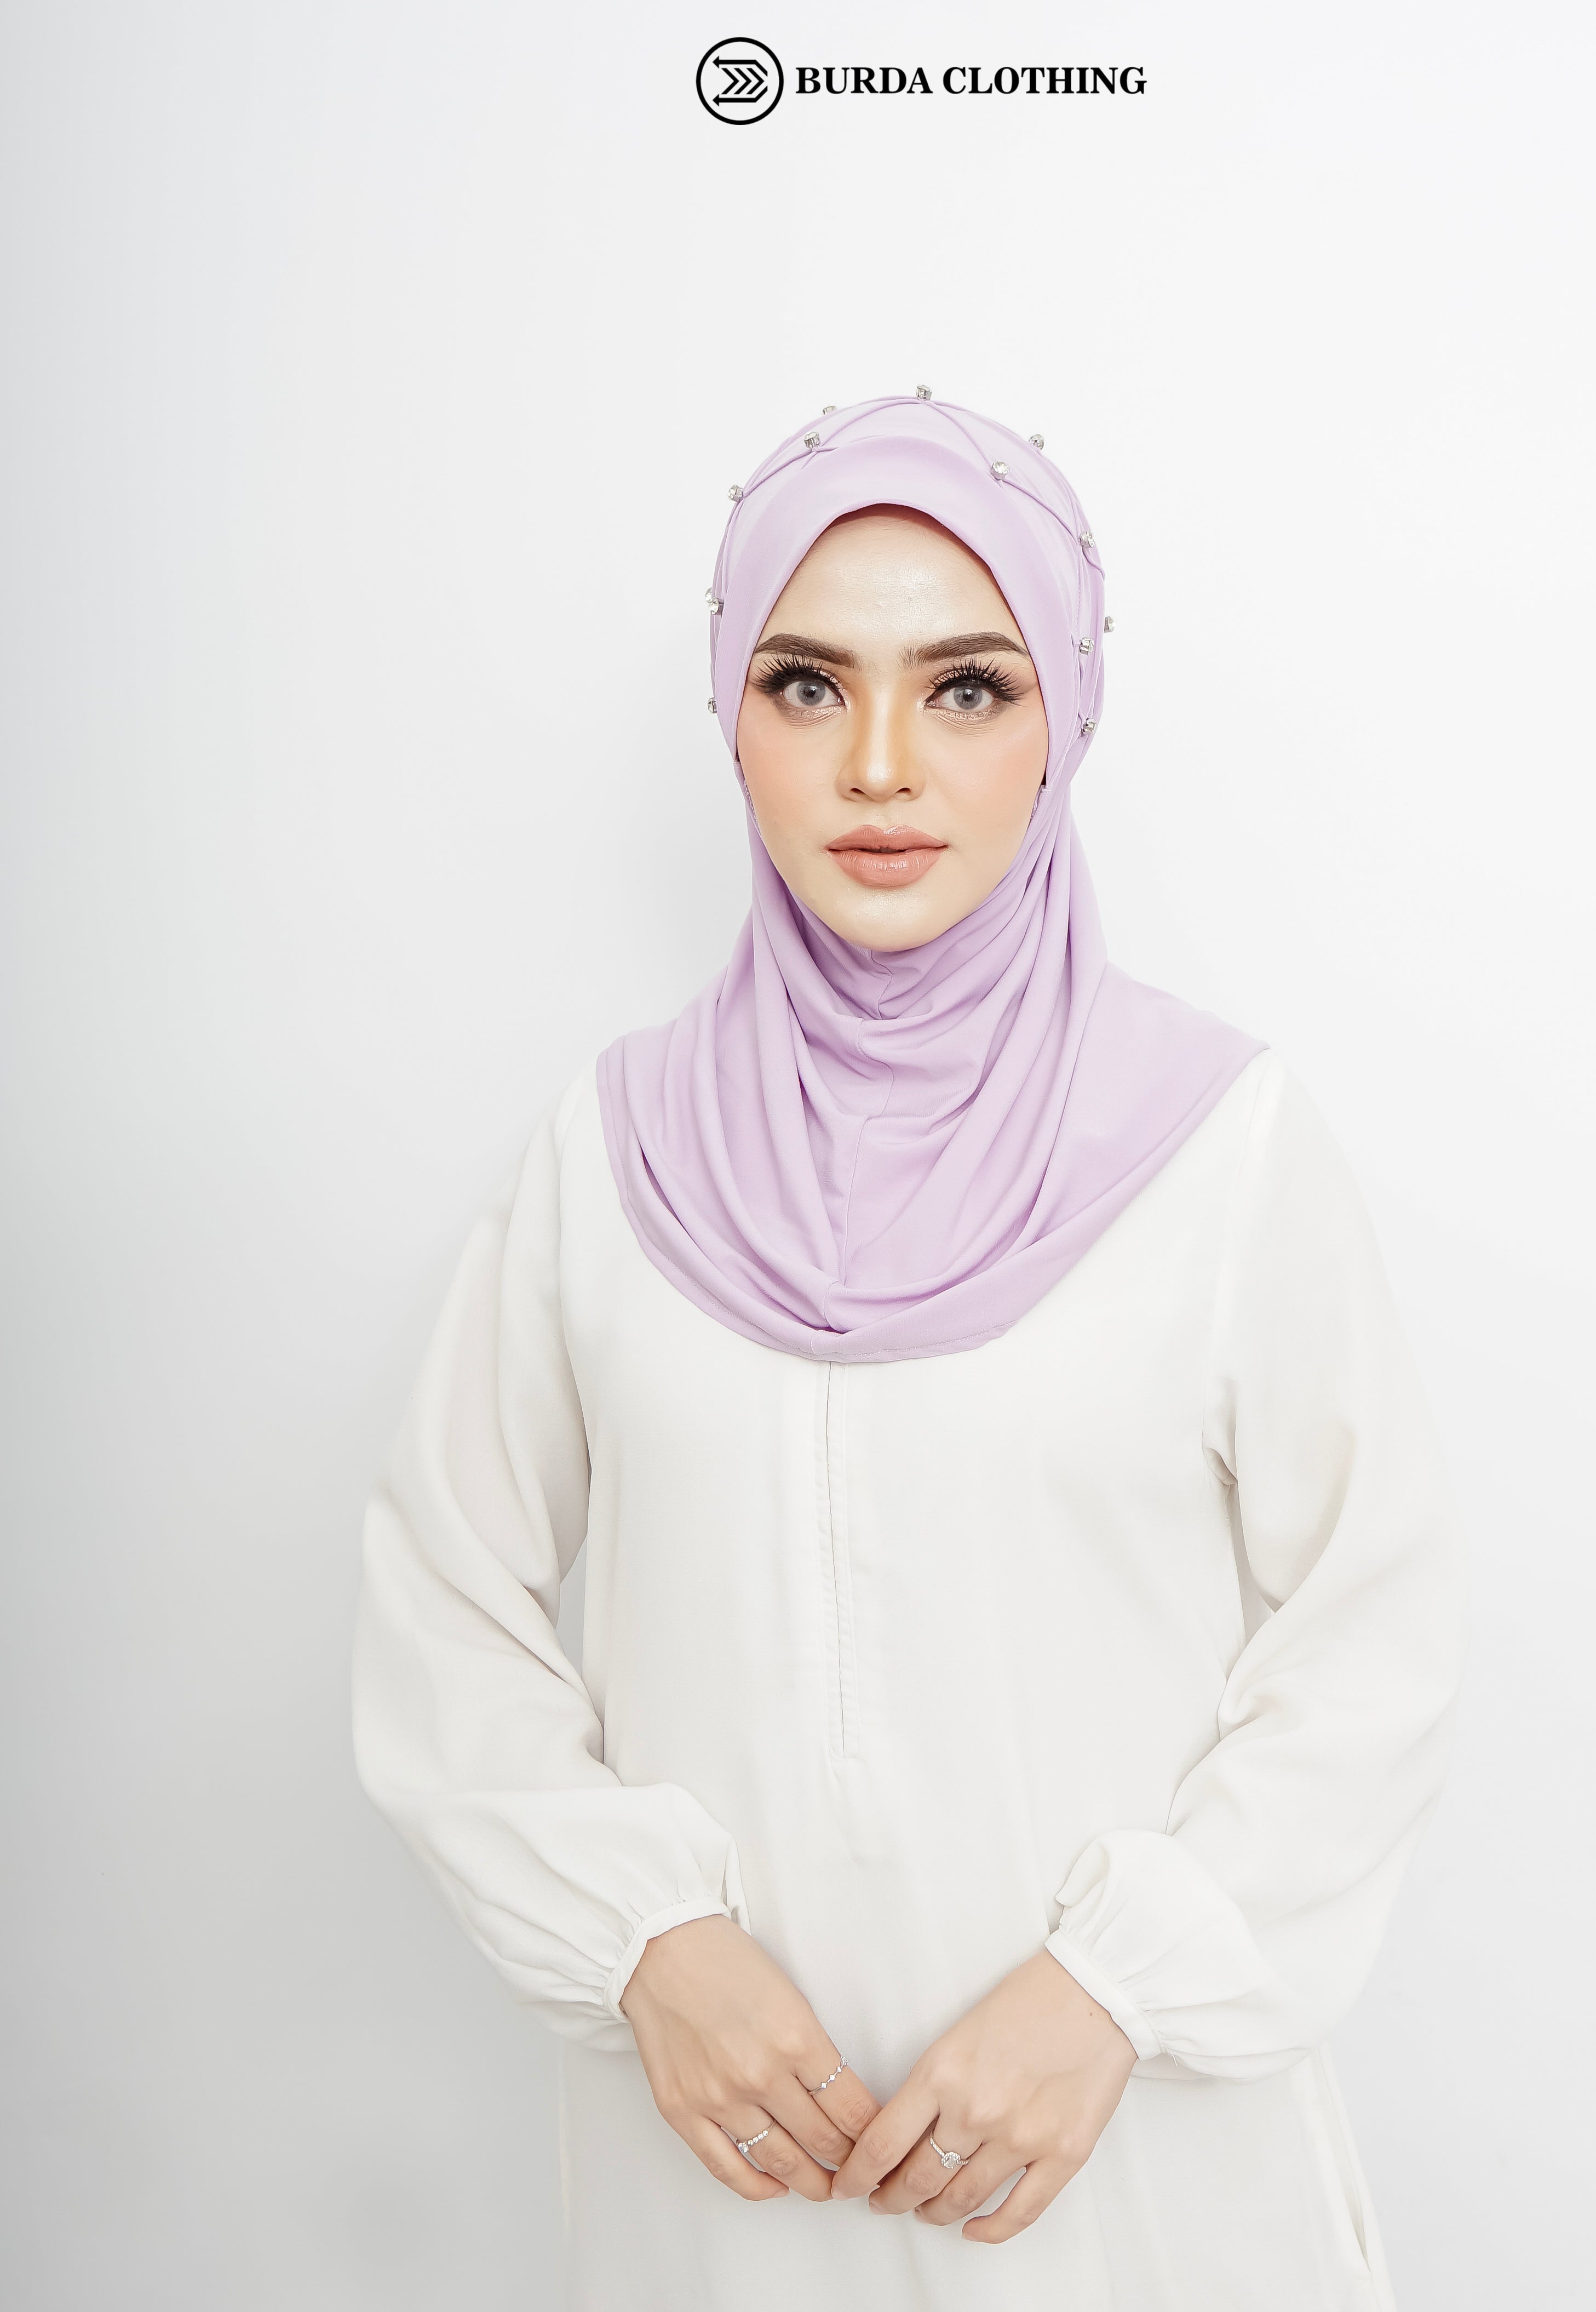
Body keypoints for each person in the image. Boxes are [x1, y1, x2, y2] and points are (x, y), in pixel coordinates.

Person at [352, 392, 1467, 2310]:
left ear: (1066, 721)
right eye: (808, 686)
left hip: (1133, 2183)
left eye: (966, 688)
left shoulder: (1219, 1148)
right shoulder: (614, 1158)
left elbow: (1380, 1629)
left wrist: (1118, 1987)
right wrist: (646, 1942)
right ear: (733, 719)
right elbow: (441, 1600)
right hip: (728, 2194)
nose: (881, 765)